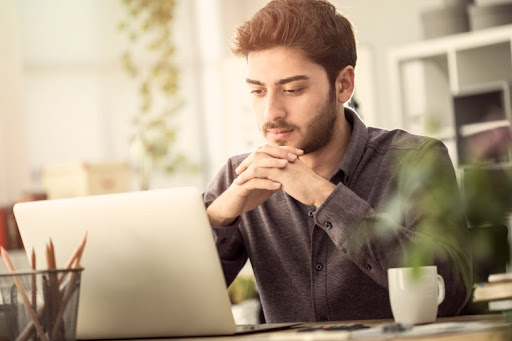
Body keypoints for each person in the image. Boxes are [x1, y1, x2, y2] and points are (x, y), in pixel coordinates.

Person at [204, 0, 471, 323]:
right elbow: (173, 303)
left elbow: (451, 292)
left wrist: (326, 198)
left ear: (343, 84)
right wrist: (218, 217)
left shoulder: (417, 161)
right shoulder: (237, 179)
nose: (272, 112)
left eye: (292, 89)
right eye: (258, 92)